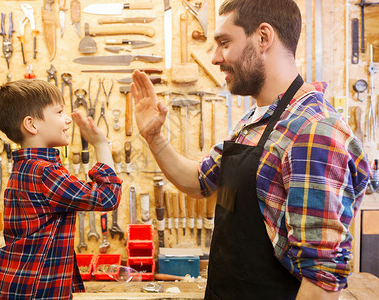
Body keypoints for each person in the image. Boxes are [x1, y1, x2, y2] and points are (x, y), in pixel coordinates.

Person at [131, 0, 370, 299]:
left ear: (263, 38)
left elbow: (320, 283)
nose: (215, 58)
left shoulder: (313, 132)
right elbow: (200, 181)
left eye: (224, 42)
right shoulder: (254, 121)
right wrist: (155, 138)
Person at [0, 79, 122, 299]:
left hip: (22, 285)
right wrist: (100, 144)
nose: (68, 119)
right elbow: (108, 198)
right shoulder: (44, 172)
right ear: (31, 125)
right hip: (35, 290)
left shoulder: (27, 167)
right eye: (59, 112)